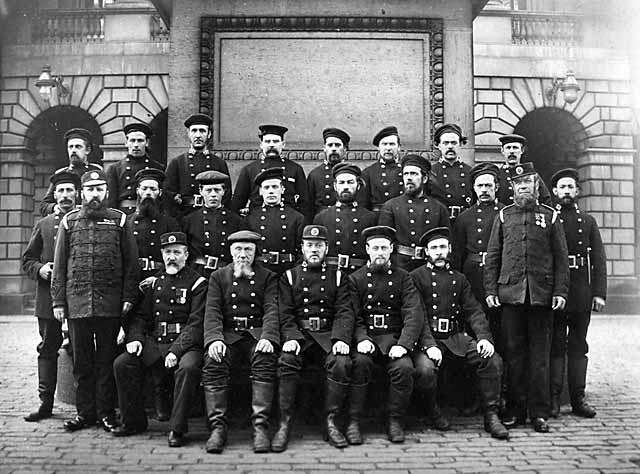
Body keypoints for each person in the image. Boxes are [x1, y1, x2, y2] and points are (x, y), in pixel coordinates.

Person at [51, 169, 139, 432]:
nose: (95, 195)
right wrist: (58, 302)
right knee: (82, 363)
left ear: (106, 192)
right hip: (78, 303)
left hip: (109, 303)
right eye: (90, 190)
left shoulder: (120, 221)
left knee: (106, 361)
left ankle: (105, 413)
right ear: (82, 193)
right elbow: (60, 266)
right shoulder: (69, 222)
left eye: (99, 189)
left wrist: (128, 297)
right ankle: (85, 413)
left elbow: (131, 264)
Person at [484, 162, 569, 433]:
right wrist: (490, 291)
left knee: (540, 356)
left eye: (528, 183)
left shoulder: (551, 216)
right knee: (514, 355)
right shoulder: (504, 215)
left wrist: (560, 291)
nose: (523, 187)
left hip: (542, 296)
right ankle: (516, 411)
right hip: (510, 295)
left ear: (536, 186)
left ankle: (539, 413)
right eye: (518, 184)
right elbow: (493, 256)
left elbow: (561, 260)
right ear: (513, 188)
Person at [411, 227, 509, 440]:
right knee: (425, 370)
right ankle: (432, 411)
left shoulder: (459, 278)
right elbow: (416, 316)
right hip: (427, 338)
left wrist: (484, 338)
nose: (439, 252)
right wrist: (429, 344)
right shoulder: (415, 277)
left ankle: (491, 415)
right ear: (426, 251)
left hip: (456, 338)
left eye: (442, 247)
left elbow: (474, 311)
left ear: (450, 249)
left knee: (492, 360)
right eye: (434, 248)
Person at [112, 232, 206, 447]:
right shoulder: (155, 282)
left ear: (186, 254)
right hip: (156, 341)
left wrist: (176, 351)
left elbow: (196, 323)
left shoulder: (198, 283)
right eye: (168, 253)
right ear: (162, 255)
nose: (172, 257)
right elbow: (141, 317)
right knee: (123, 363)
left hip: (186, 344)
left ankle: (177, 428)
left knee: (188, 368)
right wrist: (135, 338)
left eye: (177, 252)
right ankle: (133, 421)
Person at [274, 225, 354, 452]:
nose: (314, 250)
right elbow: (285, 311)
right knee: (287, 359)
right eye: (310, 245)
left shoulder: (338, 277)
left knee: (341, 362)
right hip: (301, 335)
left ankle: (332, 422)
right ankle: (284, 423)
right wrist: (290, 336)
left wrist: (340, 339)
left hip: (328, 335)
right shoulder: (290, 276)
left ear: (326, 248)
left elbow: (344, 311)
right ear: (302, 248)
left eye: (319, 245)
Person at [202, 230, 280, 454]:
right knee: (214, 360)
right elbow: (212, 312)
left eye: (248, 249)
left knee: (265, 359)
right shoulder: (218, 277)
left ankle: (260, 427)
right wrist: (215, 340)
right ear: (230, 251)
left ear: (256, 253)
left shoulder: (268, 277)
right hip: (228, 335)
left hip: (255, 335)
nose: (243, 254)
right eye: (238, 249)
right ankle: (217, 428)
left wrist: (268, 336)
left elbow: (272, 310)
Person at [347, 226, 423, 444]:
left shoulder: (404, 278)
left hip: (393, 339)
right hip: (367, 339)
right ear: (367, 249)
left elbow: (413, 313)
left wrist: (404, 344)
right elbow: (352, 314)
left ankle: (395, 420)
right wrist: (361, 339)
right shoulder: (355, 279)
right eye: (375, 248)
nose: (379, 252)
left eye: (384, 247)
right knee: (359, 364)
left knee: (404, 368)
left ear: (391, 249)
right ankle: (354, 421)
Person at [22, 171, 81, 422]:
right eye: (61, 191)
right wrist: (40, 269)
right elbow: (27, 260)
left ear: (77, 193)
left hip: (79, 298)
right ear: (54, 194)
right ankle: (45, 402)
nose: (66, 195)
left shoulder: (83, 220)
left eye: (70, 190)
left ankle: (85, 406)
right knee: (48, 349)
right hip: (48, 300)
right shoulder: (44, 224)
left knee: (82, 351)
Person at [549, 168, 606, 419]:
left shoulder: (588, 221)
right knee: (556, 344)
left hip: (581, 290)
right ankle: (553, 399)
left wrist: (599, 293)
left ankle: (578, 398)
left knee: (579, 345)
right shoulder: (550, 219)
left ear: (578, 191)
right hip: (557, 291)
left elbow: (599, 260)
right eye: (562, 187)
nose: (567, 192)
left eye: (571, 187)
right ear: (554, 191)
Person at [452, 163, 505, 340]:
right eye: (479, 186)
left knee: (499, 324)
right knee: (473, 322)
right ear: (473, 188)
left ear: (496, 187)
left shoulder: (506, 213)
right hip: (472, 274)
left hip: (499, 273)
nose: (484, 190)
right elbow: (458, 253)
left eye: (488, 185)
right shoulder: (465, 217)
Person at [378, 154, 449, 272]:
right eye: (406, 174)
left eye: (414, 174)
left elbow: (446, 241)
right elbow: (385, 241)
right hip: (400, 266)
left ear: (424, 179)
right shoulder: (391, 206)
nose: (409, 178)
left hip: (429, 266)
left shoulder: (438, 208)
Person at [231, 124, 309, 219]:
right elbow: (237, 203)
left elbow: (305, 203)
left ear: (283, 144)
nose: (271, 145)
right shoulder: (249, 170)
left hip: (288, 221)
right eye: (267, 141)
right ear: (261, 144)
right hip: (258, 221)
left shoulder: (295, 169)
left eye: (275, 141)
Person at [314, 163, 377, 274]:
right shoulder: (322, 217)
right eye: (341, 183)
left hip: (359, 274)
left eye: (350, 182)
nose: (346, 186)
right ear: (335, 186)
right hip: (331, 274)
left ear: (358, 185)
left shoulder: (370, 218)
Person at [165, 113, 232, 217]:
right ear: (188, 133)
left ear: (209, 134)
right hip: (184, 215)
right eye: (194, 130)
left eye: (202, 131)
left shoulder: (219, 163)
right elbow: (168, 193)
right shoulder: (177, 162)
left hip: (212, 214)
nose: (198, 135)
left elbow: (226, 193)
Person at [182, 171, 243, 279]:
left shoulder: (236, 220)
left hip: (226, 274)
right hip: (197, 273)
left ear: (223, 191)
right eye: (209, 190)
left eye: (217, 190)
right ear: (201, 191)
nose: (213, 194)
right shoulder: (189, 220)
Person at [245, 167, 304, 275]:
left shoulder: (296, 217)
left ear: (282, 189)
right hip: (260, 272)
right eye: (266, 187)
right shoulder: (251, 218)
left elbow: (302, 251)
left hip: (287, 271)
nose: (271, 191)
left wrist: (294, 273)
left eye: (275, 187)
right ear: (261, 191)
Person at [127, 168, 180, 281]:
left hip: (160, 278)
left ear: (160, 192)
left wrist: (158, 278)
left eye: (153, 189)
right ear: (138, 191)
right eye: (144, 188)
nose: (148, 192)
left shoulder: (170, 223)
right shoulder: (127, 221)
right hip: (132, 278)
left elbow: (175, 256)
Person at [40, 128, 102, 216]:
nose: (73, 150)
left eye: (78, 147)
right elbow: (44, 206)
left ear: (87, 150)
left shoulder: (96, 172)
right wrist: (55, 207)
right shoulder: (61, 174)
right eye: (70, 147)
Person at [106, 122, 164, 214]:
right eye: (132, 140)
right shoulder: (115, 169)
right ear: (126, 143)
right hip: (124, 213)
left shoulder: (158, 167)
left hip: (150, 213)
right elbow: (111, 200)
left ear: (147, 143)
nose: (136, 145)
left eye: (140, 140)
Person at [429, 123, 473, 221]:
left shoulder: (470, 171)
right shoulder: (431, 172)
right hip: (440, 220)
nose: (450, 147)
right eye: (445, 143)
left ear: (460, 144)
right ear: (438, 145)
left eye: (454, 143)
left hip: (465, 221)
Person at [307, 127, 350, 219]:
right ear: (324, 148)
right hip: (322, 220)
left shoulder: (352, 174)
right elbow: (308, 206)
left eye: (337, 145)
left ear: (345, 149)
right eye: (330, 145)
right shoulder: (315, 175)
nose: (333, 149)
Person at [496, 134, 551, 206]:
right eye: (508, 148)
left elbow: (545, 200)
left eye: (515, 148)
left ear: (522, 150)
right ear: (502, 151)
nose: (511, 151)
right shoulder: (497, 175)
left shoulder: (531, 175)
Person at [360, 126, 404, 213]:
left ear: (399, 147)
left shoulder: (406, 171)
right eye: (384, 144)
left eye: (392, 144)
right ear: (378, 148)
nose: (388, 148)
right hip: (378, 217)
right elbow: (363, 205)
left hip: (402, 217)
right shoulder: (368, 173)